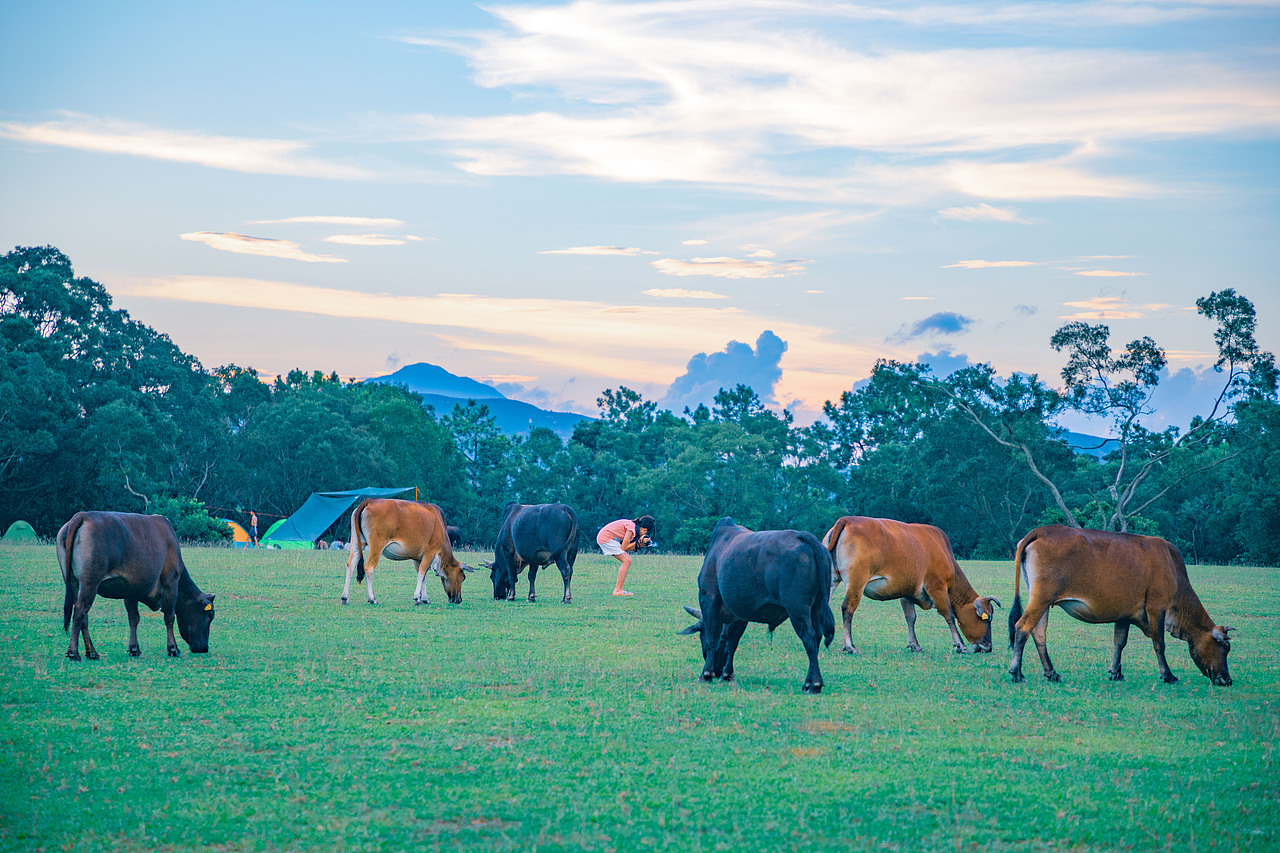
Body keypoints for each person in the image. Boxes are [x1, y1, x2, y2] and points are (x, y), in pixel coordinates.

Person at [596, 515, 655, 596]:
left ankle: (618, 590)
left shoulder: (632, 526)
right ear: (645, 530)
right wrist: (638, 542)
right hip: (606, 538)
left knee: (627, 560)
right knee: (627, 560)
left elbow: (625, 548)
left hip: (604, 537)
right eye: (646, 534)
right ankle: (618, 590)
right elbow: (624, 548)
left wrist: (639, 544)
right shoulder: (631, 528)